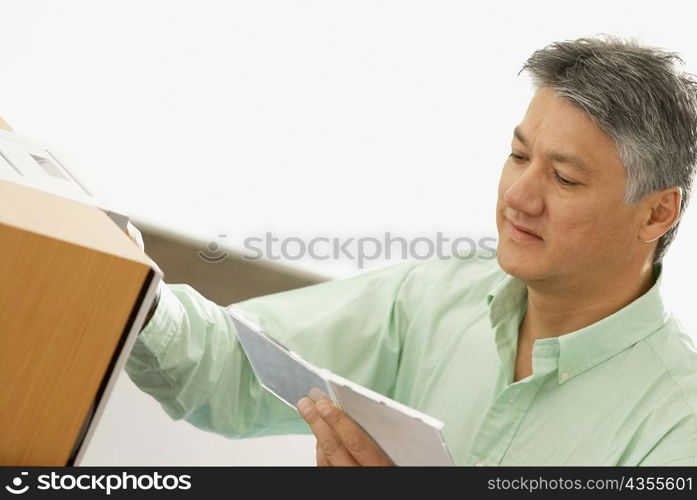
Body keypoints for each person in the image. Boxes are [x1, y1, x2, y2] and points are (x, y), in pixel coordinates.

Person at [125, 35, 697, 466]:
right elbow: (238, 365)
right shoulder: (435, 296)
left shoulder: (678, 425)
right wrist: (133, 291)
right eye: (519, 156)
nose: (519, 197)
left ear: (656, 213)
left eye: (565, 179)